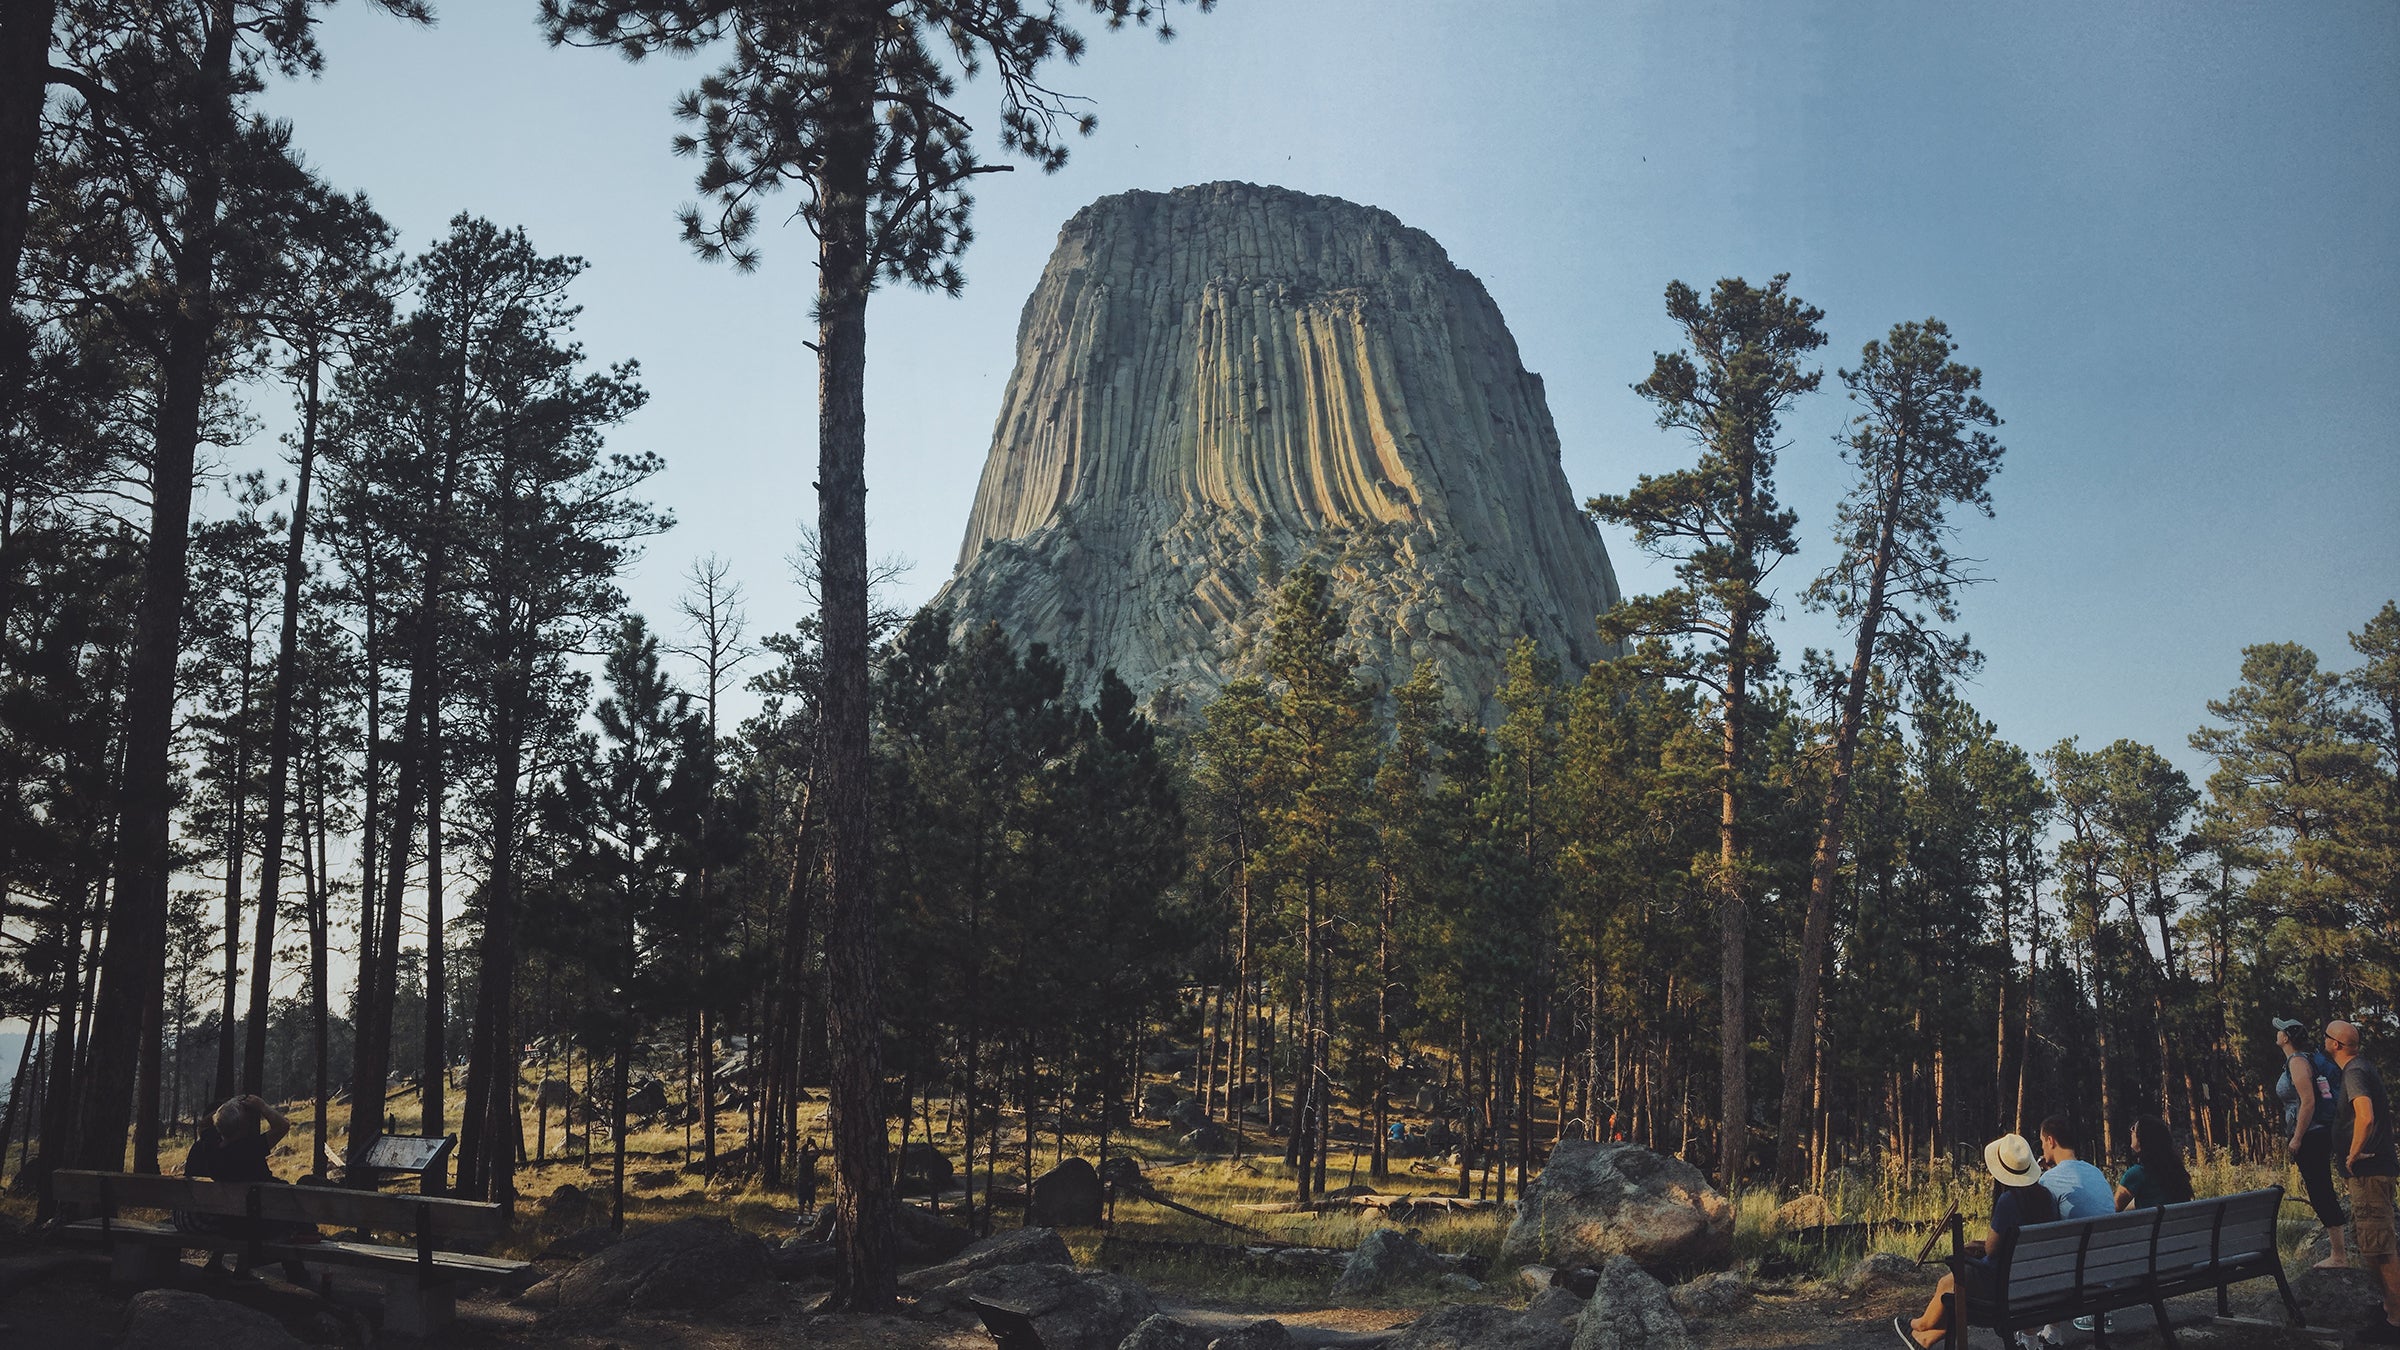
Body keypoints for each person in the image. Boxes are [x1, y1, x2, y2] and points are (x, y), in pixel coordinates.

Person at [1898, 1132, 2058, 1349]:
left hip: (2002, 1286)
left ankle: (1919, 1325)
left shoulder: (2009, 1200)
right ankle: (1924, 1339)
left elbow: (1992, 1249)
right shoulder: (2046, 1197)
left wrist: (1978, 1249)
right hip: (2035, 1281)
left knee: (1948, 1284)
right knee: (1952, 1287)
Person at [2328, 1020, 2400, 1343]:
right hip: (2372, 1172)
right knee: (2374, 1246)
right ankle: (2389, 1306)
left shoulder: (2354, 1072)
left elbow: (2366, 1115)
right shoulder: (2359, 1068)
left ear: (2336, 1046)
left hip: (2369, 1172)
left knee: (2381, 1249)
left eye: (2326, 1037)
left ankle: (2396, 1321)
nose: (2323, 1041)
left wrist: (2353, 1154)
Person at [2275, 1015, 2349, 1268]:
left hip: (2311, 1135)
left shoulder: (2297, 1062)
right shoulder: (2301, 1060)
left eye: (2280, 1031)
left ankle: (2338, 1255)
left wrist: (2296, 1138)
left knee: (2320, 1190)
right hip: (2316, 1133)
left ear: (2286, 1037)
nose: (2277, 1034)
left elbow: (2308, 1102)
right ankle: (2338, 1252)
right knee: (2320, 1189)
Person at [2037, 1116, 2116, 1338]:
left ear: (2050, 1141)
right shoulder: (2096, 1173)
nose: (2042, 1147)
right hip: (2110, 1268)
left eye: (2042, 1142)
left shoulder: (2049, 1180)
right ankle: (2051, 1331)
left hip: (2078, 1275)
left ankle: (2038, 1332)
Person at [2114, 1115, 2195, 1210]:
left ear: (2143, 1139)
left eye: (2134, 1129)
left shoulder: (2137, 1174)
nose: (2131, 1131)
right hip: (2177, 1224)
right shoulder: (2175, 1171)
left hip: (2155, 1224)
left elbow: (2113, 1209)